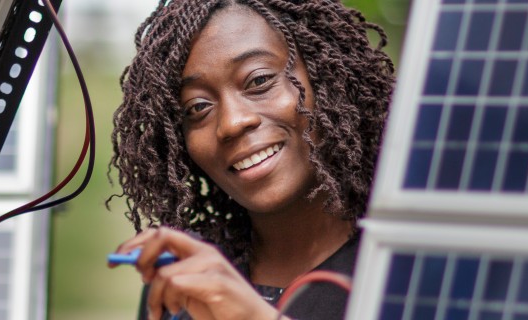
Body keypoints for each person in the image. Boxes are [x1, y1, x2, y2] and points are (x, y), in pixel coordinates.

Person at [108, 0, 395, 319]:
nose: (232, 122)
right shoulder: (187, 280)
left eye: (259, 81)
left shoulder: (409, 269)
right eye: (198, 106)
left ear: (327, 79)